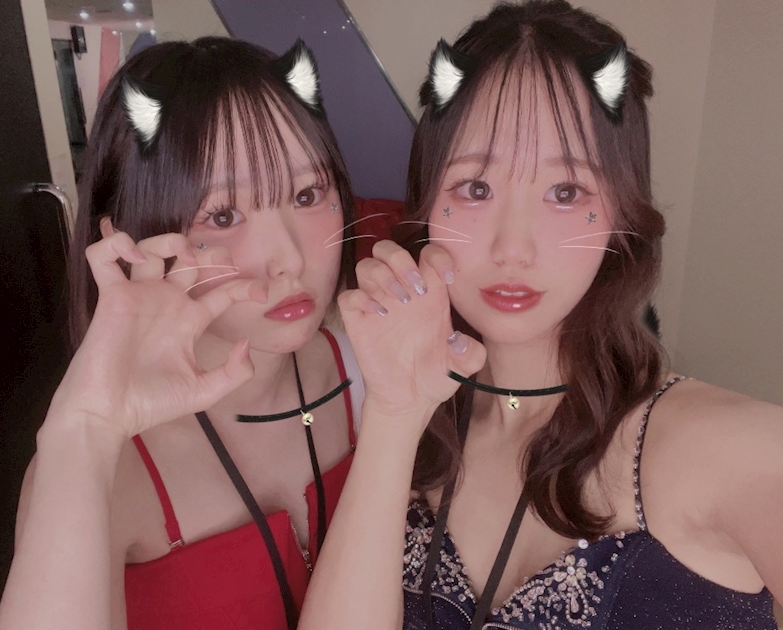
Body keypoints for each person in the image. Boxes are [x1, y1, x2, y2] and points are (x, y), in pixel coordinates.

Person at [300, 2, 783, 628]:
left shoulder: (734, 448)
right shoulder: (414, 434)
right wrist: (393, 418)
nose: (513, 248)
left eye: (565, 191)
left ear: (620, 215)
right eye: (476, 188)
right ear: (427, 206)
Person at [0, 36, 366, 630]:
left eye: (307, 194)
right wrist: (84, 430)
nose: (289, 260)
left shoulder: (370, 371)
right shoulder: (97, 466)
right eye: (223, 215)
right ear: (129, 237)